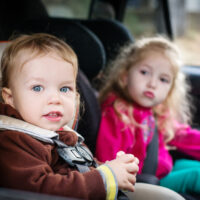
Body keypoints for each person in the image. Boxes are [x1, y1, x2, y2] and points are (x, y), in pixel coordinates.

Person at [0, 33, 185, 200]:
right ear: (10, 98)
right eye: (37, 88)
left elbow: (82, 167)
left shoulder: (62, 134)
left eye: (65, 89)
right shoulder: (14, 140)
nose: (55, 99)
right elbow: (38, 190)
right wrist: (106, 177)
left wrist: (112, 167)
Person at [95, 35, 200, 196]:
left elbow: (182, 136)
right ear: (124, 76)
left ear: (170, 90)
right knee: (196, 176)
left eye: (163, 79)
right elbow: (110, 163)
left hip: (164, 169)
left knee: (195, 167)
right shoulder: (117, 113)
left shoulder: (155, 111)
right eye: (144, 72)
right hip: (147, 182)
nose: (152, 83)